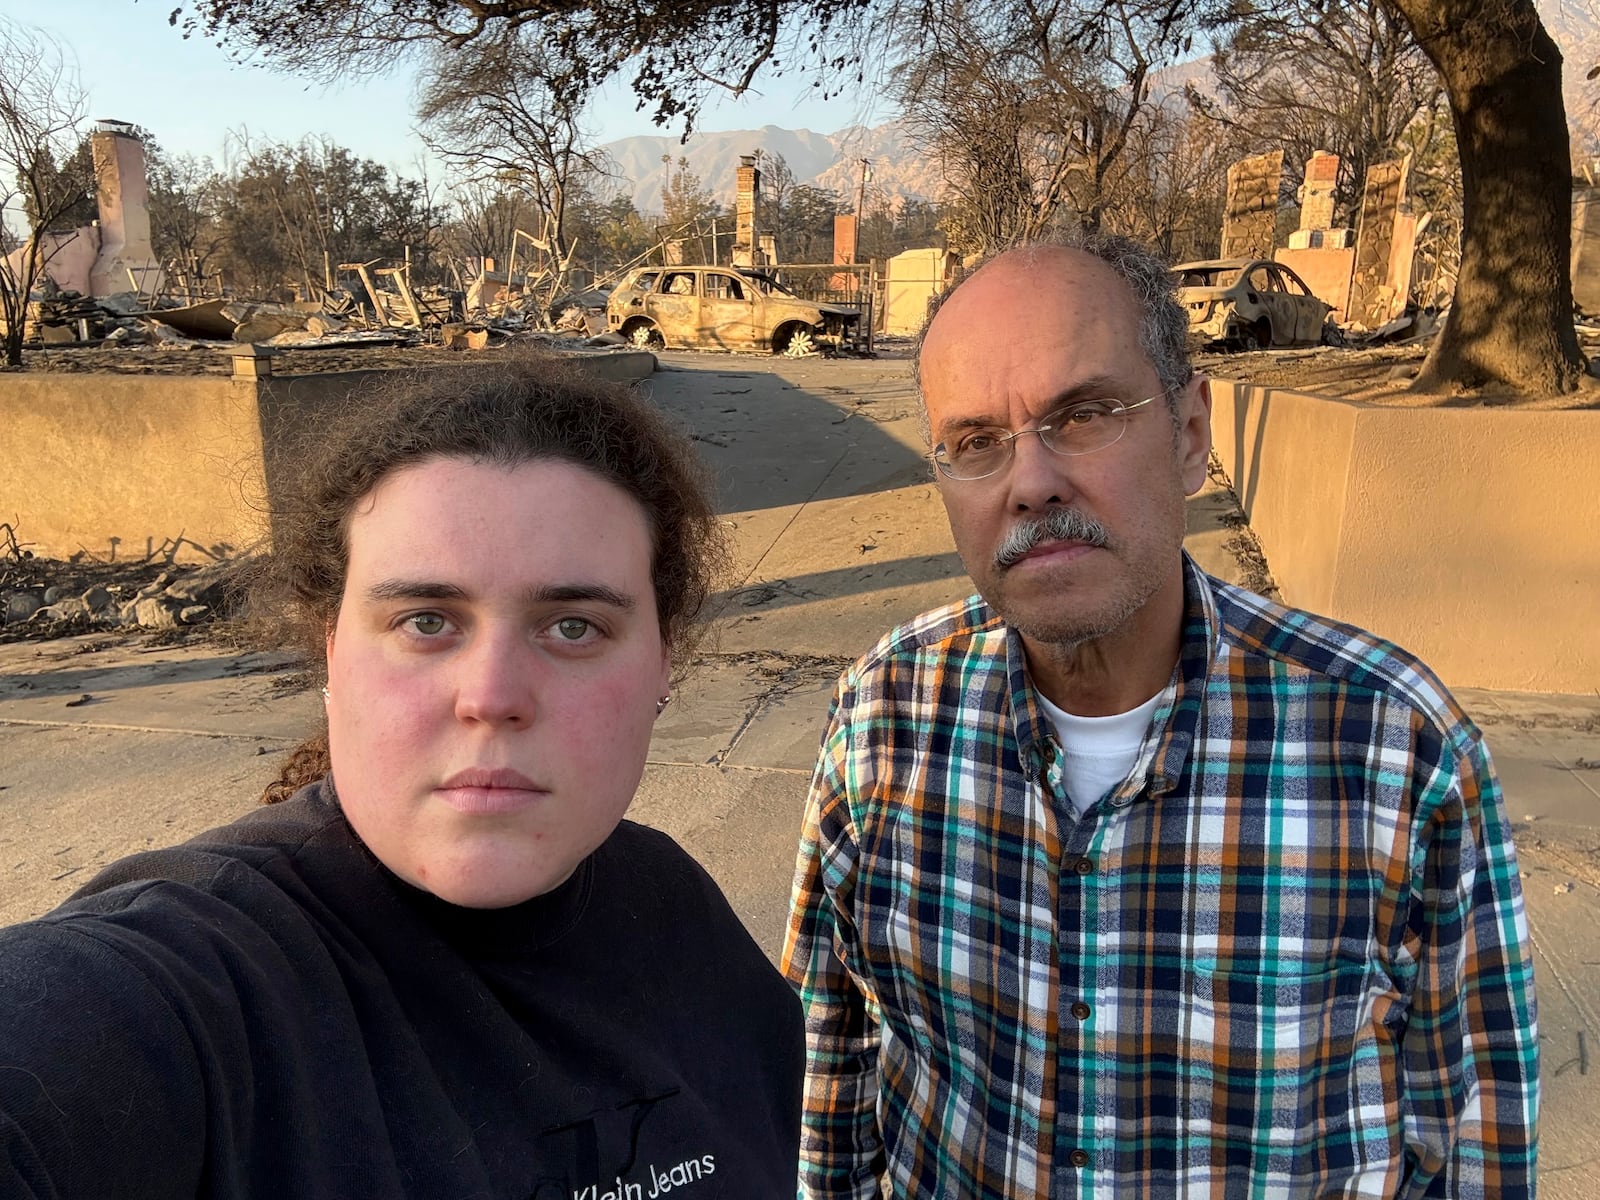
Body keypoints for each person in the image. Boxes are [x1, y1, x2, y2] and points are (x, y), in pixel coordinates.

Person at [781, 234, 1538, 1198]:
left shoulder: (1391, 749)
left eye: (1086, 414)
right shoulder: (886, 718)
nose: (1030, 481)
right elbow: (826, 1068)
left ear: (1189, 435)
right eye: (975, 443)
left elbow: (1473, 1133)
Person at [0, 361, 804, 1198]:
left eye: (573, 625)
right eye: (425, 622)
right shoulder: (196, 984)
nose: (491, 697)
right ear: (333, 652)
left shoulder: (674, 910)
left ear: (663, 662)